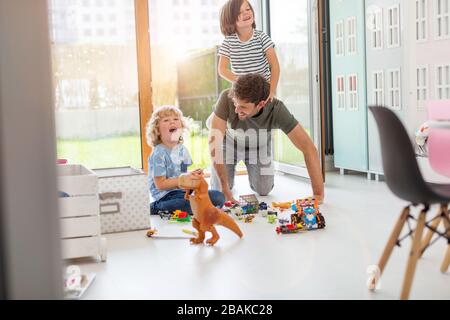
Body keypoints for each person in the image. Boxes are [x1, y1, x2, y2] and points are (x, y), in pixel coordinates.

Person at [208, 73, 324, 204]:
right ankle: (213, 120)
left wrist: (318, 194)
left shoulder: (277, 109)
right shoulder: (226, 97)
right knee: (218, 190)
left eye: (243, 107)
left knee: (264, 189)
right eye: (235, 103)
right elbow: (214, 144)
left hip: (258, 144)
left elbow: (308, 148)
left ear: (261, 104)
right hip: (229, 141)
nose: (236, 110)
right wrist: (224, 187)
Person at [147, 105, 225, 215]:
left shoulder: (182, 150)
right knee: (185, 205)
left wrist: (192, 175)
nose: (172, 122)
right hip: (165, 196)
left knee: (219, 197)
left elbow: (183, 174)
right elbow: (160, 185)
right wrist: (182, 180)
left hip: (182, 191)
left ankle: (197, 206)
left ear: (182, 127)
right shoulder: (158, 154)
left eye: (175, 119)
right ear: (157, 130)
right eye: (166, 120)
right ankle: (155, 207)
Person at [218, 0, 280, 104]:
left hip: (262, 92)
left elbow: (275, 66)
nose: (246, 12)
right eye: (239, 12)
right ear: (230, 19)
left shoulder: (262, 37)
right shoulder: (229, 41)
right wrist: (241, 81)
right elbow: (222, 69)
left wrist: (272, 91)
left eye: (247, 9)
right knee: (225, 99)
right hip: (242, 93)